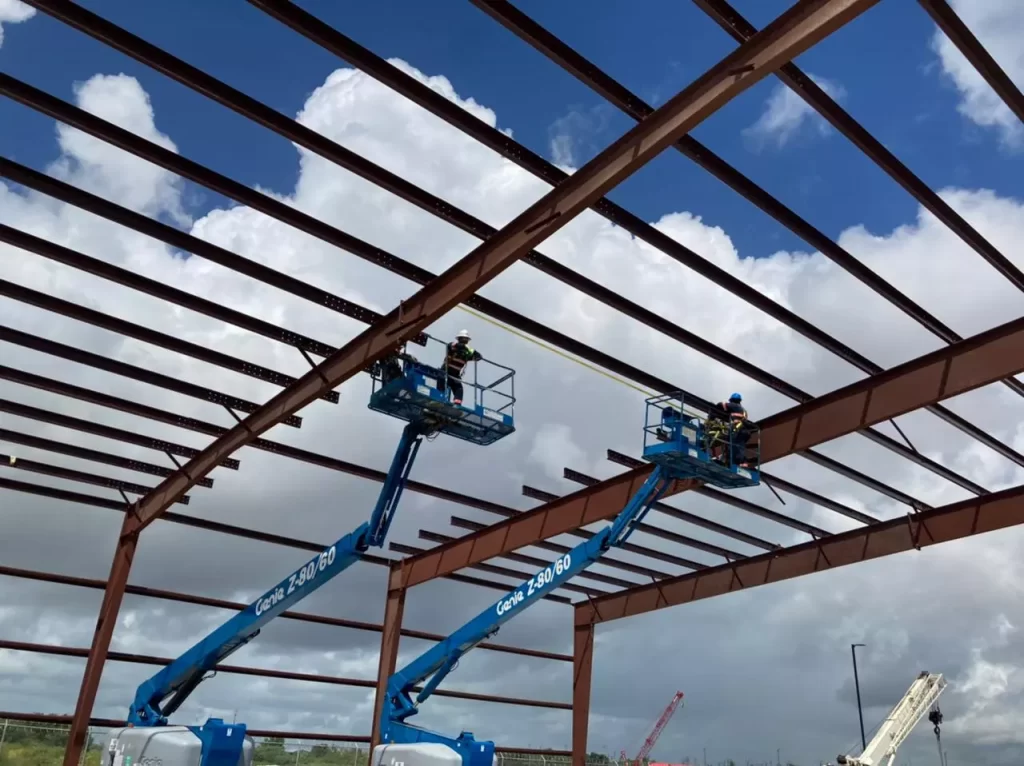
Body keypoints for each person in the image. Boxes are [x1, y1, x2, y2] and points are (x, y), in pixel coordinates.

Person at [707, 392, 755, 467]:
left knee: (734, 446)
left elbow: (722, 405)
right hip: (744, 431)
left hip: (738, 429)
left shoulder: (734, 405)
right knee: (739, 446)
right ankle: (742, 462)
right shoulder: (743, 410)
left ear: (732, 400)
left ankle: (735, 462)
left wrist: (714, 411)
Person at [442, 329, 482, 405]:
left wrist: (471, 351)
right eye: (464, 338)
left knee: (459, 390)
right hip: (445, 372)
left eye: (466, 339)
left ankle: (456, 406)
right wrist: (462, 348)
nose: (465, 340)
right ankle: (438, 401)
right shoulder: (453, 347)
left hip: (455, 375)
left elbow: (479, 357)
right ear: (459, 339)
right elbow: (449, 345)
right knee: (442, 389)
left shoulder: (466, 354)